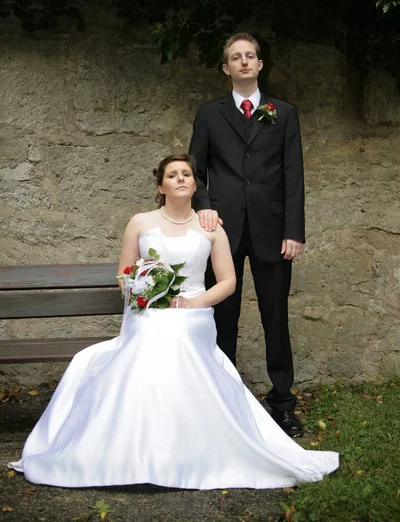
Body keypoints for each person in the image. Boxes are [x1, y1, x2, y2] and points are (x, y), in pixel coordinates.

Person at [8, 154, 338, 489]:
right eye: (172, 175)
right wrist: (143, 291)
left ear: (195, 185)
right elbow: (124, 274)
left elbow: (227, 282)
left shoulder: (211, 228)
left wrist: (193, 302)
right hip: (147, 311)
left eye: (186, 174)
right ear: (161, 186)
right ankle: (135, 448)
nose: (180, 179)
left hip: (193, 312)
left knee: (177, 332)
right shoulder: (139, 222)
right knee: (155, 330)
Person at [189, 33, 305, 436]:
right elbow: (195, 169)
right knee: (223, 316)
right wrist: (203, 205)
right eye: (235, 57)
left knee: (276, 317)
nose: (243, 62)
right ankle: (224, 400)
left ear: (259, 65)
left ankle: (283, 403)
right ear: (226, 68)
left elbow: (294, 176)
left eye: (250, 56)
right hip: (222, 231)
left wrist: (294, 230)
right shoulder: (209, 114)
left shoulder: (283, 113)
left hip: (273, 231)